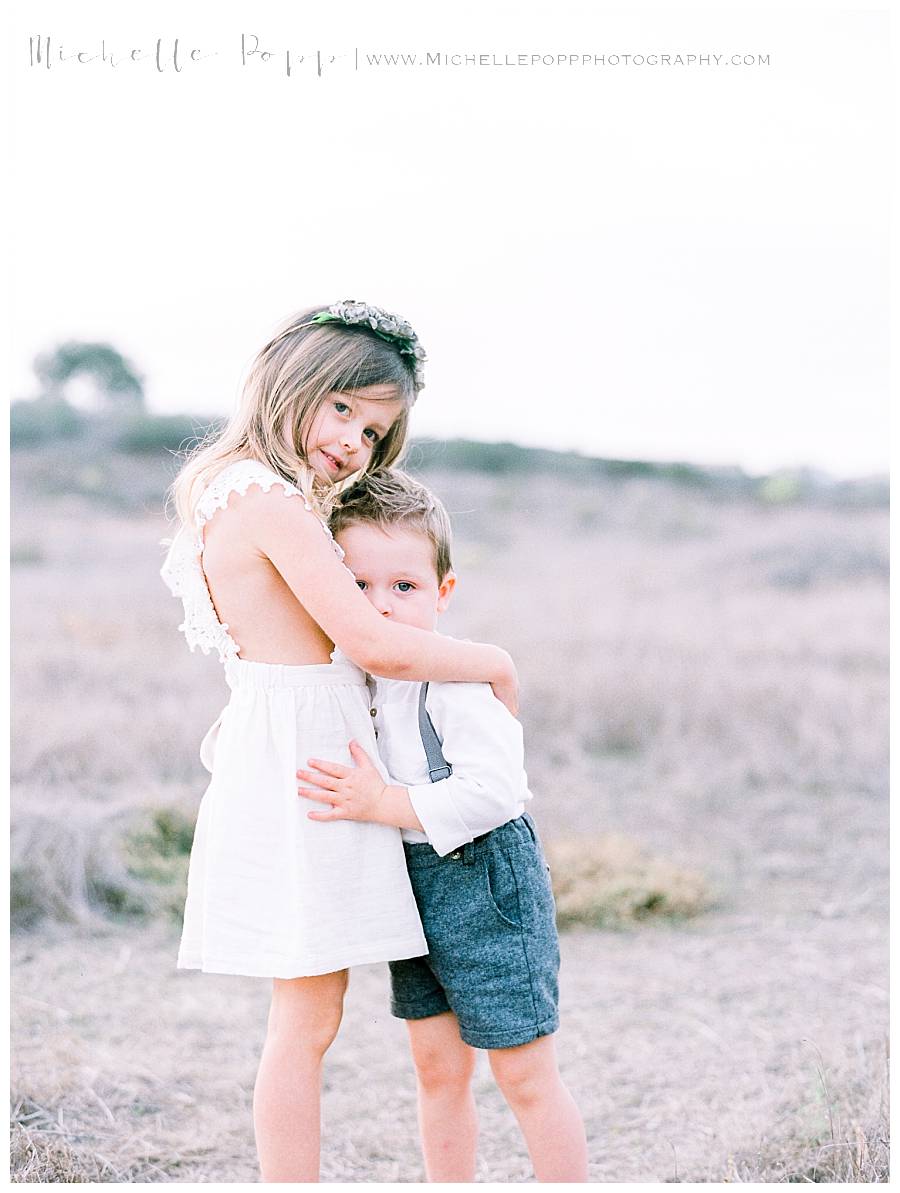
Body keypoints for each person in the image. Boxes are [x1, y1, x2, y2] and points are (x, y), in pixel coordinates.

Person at [160, 300, 518, 1183]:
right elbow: (376, 642)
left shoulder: (237, 487)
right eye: (345, 409)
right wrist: (493, 662)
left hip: (299, 746)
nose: (357, 439)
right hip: (308, 763)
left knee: (309, 1015)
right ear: (293, 384)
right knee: (307, 1020)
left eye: (376, 429)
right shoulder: (266, 498)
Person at [297, 469, 588, 1182]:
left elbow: (495, 791)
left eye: (404, 587)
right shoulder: (352, 679)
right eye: (359, 587)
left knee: (522, 1071)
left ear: (442, 592)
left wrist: (383, 803)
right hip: (411, 886)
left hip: (483, 879)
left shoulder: (454, 679)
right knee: (435, 1067)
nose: (382, 606)